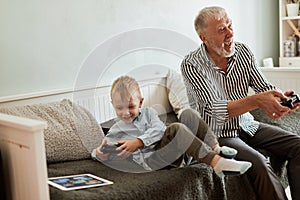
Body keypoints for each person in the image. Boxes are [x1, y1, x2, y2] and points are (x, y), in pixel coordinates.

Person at [181, 6, 300, 200]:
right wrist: (257, 101)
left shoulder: (243, 52)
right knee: (259, 163)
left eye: (230, 25)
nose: (230, 33)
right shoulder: (191, 64)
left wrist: (280, 98)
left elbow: (263, 87)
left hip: (247, 124)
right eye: (221, 30)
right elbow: (213, 109)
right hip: (217, 133)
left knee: (298, 145)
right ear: (204, 38)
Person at [91, 75, 252, 178]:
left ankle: (215, 148)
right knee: (176, 128)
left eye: (131, 106)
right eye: (119, 108)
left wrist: (138, 142)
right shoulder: (116, 130)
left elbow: (159, 130)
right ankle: (218, 163)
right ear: (113, 106)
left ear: (140, 102)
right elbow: (102, 148)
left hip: (174, 153)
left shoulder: (149, 114)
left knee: (188, 114)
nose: (125, 113)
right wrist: (98, 154)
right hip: (153, 161)